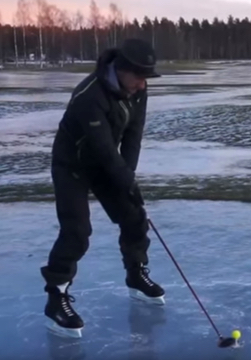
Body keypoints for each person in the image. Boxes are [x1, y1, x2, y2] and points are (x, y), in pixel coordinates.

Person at [40, 38, 165, 338]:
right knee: (77, 232)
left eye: (147, 77)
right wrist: (123, 179)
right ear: (121, 69)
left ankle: (136, 275)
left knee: (135, 215)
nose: (143, 84)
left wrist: (129, 179)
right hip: (72, 166)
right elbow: (104, 149)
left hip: (103, 163)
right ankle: (56, 300)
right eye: (139, 76)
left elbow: (133, 136)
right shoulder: (89, 95)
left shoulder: (138, 91)